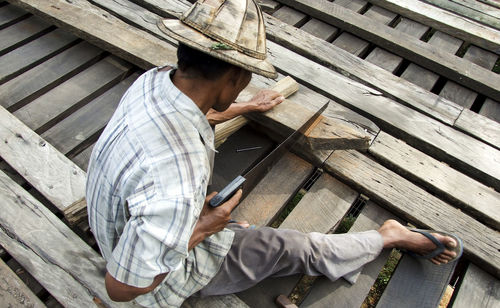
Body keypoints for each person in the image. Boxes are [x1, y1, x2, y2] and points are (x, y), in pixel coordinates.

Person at [86, 1, 462, 307]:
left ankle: (226, 232)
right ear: (235, 76)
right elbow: (121, 289)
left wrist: (246, 107)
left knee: (227, 220)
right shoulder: (176, 181)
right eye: (247, 78)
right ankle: (389, 236)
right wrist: (204, 228)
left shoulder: (153, 82)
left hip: (116, 226)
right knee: (298, 247)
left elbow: (200, 110)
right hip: (154, 277)